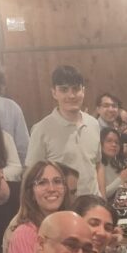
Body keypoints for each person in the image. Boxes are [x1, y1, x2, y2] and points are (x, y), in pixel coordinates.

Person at [26, 64, 104, 197]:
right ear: (54, 93)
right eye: (64, 90)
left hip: (93, 202)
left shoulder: (93, 123)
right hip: (62, 205)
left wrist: (102, 199)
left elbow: (98, 164)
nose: (71, 95)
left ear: (83, 91)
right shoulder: (41, 129)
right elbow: (32, 175)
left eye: (76, 89)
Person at [3, 160, 71, 253]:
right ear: (31, 193)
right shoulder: (24, 235)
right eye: (42, 183)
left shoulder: (70, 226)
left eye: (57, 181)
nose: (52, 189)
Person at [101, 127, 127, 200]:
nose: (114, 145)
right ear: (101, 143)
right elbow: (101, 195)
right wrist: (121, 179)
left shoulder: (114, 162)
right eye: (109, 141)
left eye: (117, 142)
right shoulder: (98, 167)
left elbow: (117, 188)